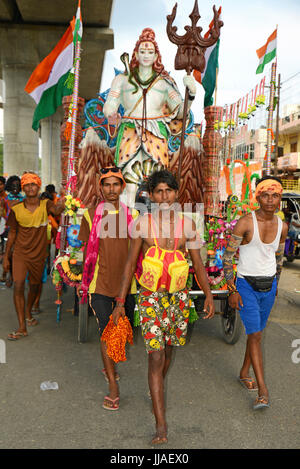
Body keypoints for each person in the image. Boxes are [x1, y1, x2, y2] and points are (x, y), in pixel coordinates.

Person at [112, 169, 214, 444]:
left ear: (176, 193)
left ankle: (154, 387)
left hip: (179, 299)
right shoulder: (141, 226)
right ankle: (161, 424)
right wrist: (121, 302)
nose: (164, 196)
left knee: (168, 352)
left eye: (169, 190)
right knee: (156, 357)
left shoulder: (189, 226)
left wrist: (208, 295)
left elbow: (198, 265)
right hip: (150, 297)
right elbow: (129, 265)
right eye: (159, 191)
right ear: (151, 195)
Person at [103, 27, 196, 206]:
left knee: (159, 184)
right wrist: (110, 112)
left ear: (156, 57)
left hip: (156, 133)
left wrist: (191, 94)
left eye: (150, 52)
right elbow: (110, 103)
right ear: (135, 54)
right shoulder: (122, 80)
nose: (146, 55)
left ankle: (158, 226)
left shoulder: (163, 83)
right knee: (129, 184)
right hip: (130, 131)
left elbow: (180, 111)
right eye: (142, 51)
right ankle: (128, 225)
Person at [222, 175, 288, 410]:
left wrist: (276, 284)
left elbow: (278, 257)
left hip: (268, 287)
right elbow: (227, 258)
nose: (270, 200)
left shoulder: (283, 225)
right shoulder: (245, 223)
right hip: (246, 286)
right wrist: (232, 290)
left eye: (275, 196)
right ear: (258, 196)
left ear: (280, 199)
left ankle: (243, 372)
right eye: (266, 195)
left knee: (255, 333)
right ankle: (263, 390)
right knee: (257, 336)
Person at [77, 166, 137, 411]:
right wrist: (82, 278)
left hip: (127, 285)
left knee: (120, 333)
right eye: (107, 184)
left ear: (122, 187)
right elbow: (86, 250)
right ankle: (113, 386)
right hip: (99, 282)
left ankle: (110, 362)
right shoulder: (90, 215)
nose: (111, 189)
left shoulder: (133, 214)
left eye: (116, 184)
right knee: (106, 331)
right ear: (100, 187)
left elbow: (139, 252)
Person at [3, 171, 65, 340]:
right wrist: (6, 256)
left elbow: (58, 210)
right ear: (24, 188)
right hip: (20, 254)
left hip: (39, 255)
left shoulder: (46, 204)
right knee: (18, 285)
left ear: (38, 187)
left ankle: (28, 311)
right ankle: (22, 326)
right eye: (27, 185)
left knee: (35, 286)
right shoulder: (16, 208)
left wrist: (66, 198)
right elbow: (13, 233)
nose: (30, 188)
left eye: (33, 184)